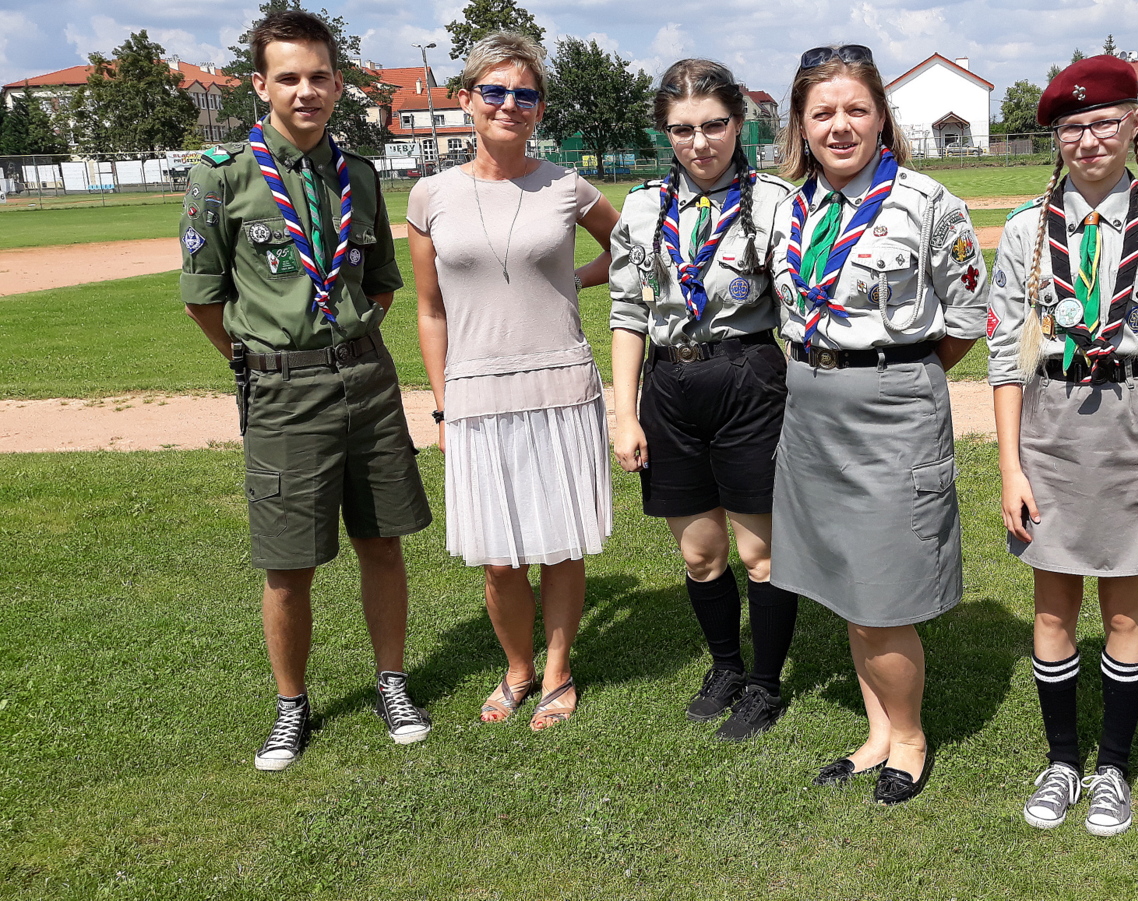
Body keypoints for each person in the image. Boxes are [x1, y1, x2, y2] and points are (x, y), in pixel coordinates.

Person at [179, 9, 433, 771]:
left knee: (381, 541)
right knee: (288, 563)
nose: (306, 91)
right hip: (283, 390)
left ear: (338, 84)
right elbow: (202, 298)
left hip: (367, 378)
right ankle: (291, 705)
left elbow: (380, 282)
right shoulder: (222, 175)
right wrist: (262, 361)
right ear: (260, 85)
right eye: (288, 77)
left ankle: (392, 683)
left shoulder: (359, 175)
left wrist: (347, 342)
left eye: (319, 76)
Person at [986, 55, 1138, 836]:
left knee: (1124, 611)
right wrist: (1010, 467)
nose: (1089, 139)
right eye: (1073, 127)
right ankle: (1062, 760)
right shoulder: (1025, 229)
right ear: (1057, 138)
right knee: (1052, 608)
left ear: (1135, 124)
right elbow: (1005, 360)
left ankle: (1112, 767)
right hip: (1048, 430)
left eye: (1105, 122)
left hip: (1132, 428)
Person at [767, 44, 987, 804]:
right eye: (822, 112)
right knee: (846, 586)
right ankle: (877, 734)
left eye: (856, 109)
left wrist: (896, 374)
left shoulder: (928, 204)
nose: (840, 126)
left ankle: (911, 738)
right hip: (810, 410)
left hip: (891, 411)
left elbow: (966, 318)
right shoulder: (791, 207)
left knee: (882, 594)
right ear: (801, 124)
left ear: (881, 117)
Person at [409, 32, 618, 732]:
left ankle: (557, 670)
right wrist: (443, 410)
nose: (509, 105)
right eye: (494, 91)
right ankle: (517, 667)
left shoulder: (566, 185)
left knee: (561, 542)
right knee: (499, 560)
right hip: (476, 394)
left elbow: (627, 248)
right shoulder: (431, 195)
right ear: (466, 100)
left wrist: (573, 281)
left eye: (524, 95)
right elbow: (430, 310)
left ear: (540, 108)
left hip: (561, 385)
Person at [609, 60, 799, 742]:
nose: (699, 142)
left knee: (761, 555)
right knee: (699, 555)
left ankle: (765, 684)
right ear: (665, 132)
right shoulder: (641, 207)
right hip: (669, 384)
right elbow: (627, 312)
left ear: (739, 124)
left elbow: (800, 307)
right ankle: (725, 667)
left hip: (747, 375)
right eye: (682, 129)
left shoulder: (775, 202)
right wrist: (625, 412)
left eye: (714, 125)